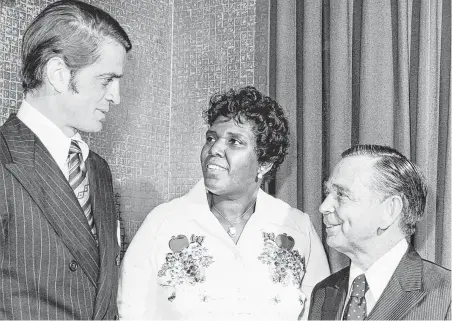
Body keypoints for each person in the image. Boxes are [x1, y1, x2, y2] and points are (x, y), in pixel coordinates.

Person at [118, 86, 330, 319]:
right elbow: (131, 310)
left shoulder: (297, 229)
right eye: (211, 138)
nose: (215, 149)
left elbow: (320, 314)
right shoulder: (162, 223)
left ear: (264, 164)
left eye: (235, 142)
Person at [0, 1, 132, 319]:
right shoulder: (4, 158)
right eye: (105, 80)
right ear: (59, 74)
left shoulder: (98, 169)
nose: (116, 96)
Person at [308, 145, 451, 320]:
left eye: (341, 195)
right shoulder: (324, 293)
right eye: (327, 193)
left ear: (389, 210)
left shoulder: (446, 296)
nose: (323, 207)